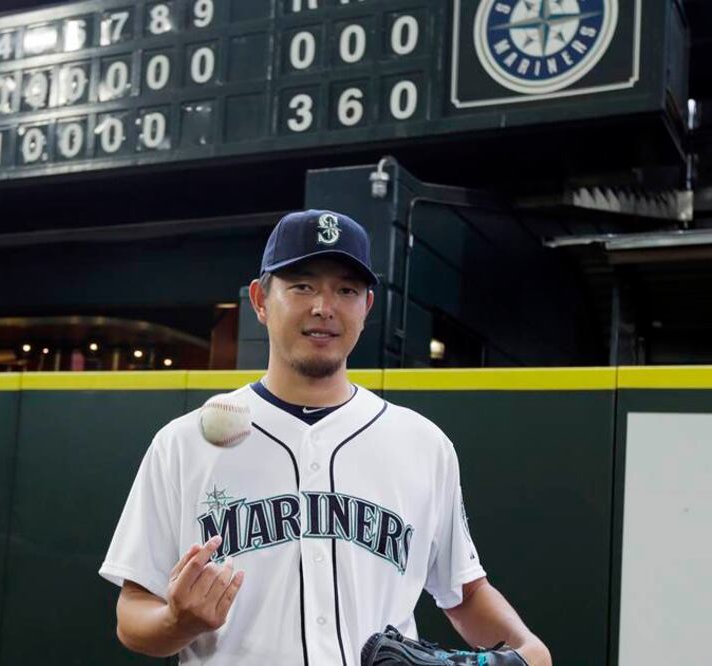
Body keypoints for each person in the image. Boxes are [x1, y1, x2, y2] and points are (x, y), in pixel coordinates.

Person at [99, 210, 552, 666]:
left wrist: (530, 649)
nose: (324, 306)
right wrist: (178, 622)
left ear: (367, 307)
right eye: (302, 285)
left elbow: (465, 591)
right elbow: (132, 614)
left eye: (347, 290)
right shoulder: (183, 444)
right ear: (260, 299)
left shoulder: (423, 444)